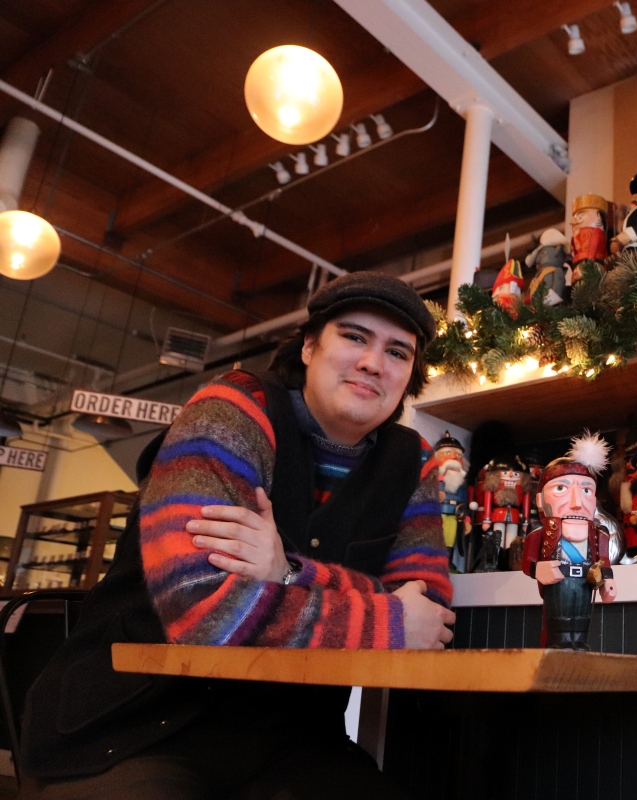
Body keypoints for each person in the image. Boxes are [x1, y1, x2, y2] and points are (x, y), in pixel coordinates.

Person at [19, 272, 455, 798]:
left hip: (293, 741)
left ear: (410, 376)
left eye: (398, 352)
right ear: (311, 345)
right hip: (133, 728)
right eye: (354, 336)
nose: (372, 362)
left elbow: (427, 613)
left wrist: (289, 572)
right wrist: (388, 618)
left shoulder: (415, 461)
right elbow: (206, 610)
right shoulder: (233, 409)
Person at [522, 433, 617, 649]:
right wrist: (538, 570)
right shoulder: (539, 531)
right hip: (558, 587)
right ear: (540, 499)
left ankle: (579, 649)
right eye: (561, 489)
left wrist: (607, 582)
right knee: (559, 627)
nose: (576, 503)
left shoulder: (598, 533)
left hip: (585, 585)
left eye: (586, 490)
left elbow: (603, 560)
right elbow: (527, 561)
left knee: (582, 625)